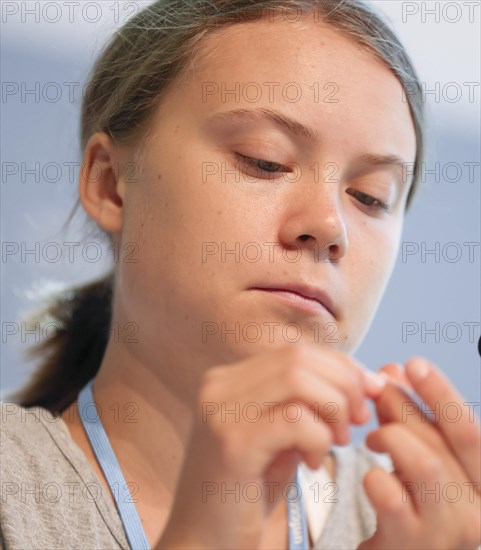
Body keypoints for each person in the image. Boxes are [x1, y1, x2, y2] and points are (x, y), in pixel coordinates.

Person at [1, 1, 480, 549]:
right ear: (111, 184)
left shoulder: (405, 521)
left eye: (370, 197)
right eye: (264, 161)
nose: (328, 226)